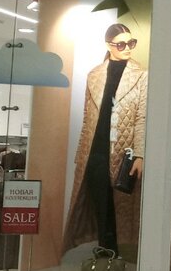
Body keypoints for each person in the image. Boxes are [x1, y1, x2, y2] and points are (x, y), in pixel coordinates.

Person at [63, 23, 147, 257]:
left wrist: (140, 153)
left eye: (131, 43)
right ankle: (106, 255)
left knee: (121, 206)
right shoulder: (94, 75)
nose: (127, 48)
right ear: (109, 45)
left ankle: (119, 256)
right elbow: (87, 118)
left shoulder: (141, 76)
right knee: (101, 205)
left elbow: (142, 118)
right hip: (95, 152)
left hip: (123, 152)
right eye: (121, 44)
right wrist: (81, 156)